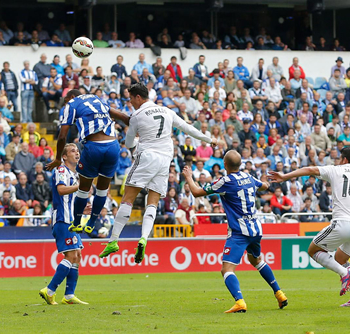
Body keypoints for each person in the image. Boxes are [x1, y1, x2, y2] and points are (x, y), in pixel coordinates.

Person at [99, 83, 217, 263]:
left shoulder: (137, 116)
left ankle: (113, 240)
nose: (130, 103)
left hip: (147, 156)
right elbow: (188, 128)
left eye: (131, 99)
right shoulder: (166, 111)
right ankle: (144, 237)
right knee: (152, 202)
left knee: (127, 199)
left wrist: (136, 140)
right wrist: (209, 139)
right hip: (165, 160)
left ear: (138, 97)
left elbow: (129, 143)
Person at [184, 150, 288, 313]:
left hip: (239, 231)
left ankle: (239, 301)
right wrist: (263, 179)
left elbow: (197, 192)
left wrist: (189, 177)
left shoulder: (224, 181)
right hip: (255, 228)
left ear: (225, 165)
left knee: (226, 269)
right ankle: (279, 293)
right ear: (240, 164)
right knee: (256, 261)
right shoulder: (248, 177)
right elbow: (265, 186)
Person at [269, 147, 350, 307]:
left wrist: (285, 176)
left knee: (313, 250)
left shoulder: (336, 170)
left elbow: (310, 169)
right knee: (340, 259)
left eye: (340, 158)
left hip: (342, 223)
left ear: (344, 160)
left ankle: (344, 273)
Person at [47, 89, 129, 235]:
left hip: (94, 147)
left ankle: (77, 222)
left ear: (71, 97)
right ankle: (91, 223)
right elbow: (123, 116)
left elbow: (61, 137)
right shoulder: (97, 100)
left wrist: (58, 158)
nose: (66, 104)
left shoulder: (72, 104)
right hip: (113, 146)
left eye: (66, 100)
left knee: (84, 188)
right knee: (103, 189)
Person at [39, 143, 88, 305]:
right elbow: (61, 190)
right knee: (71, 255)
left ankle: (69, 295)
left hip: (71, 219)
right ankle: (50, 290)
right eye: (73, 151)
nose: (77, 153)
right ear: (64, 156)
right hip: (62, 219)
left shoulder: (74, 175)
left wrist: (82, 209)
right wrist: (79, 187)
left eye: (77, 151)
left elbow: (70, 198)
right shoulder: (61, 170)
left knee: (78, 255)